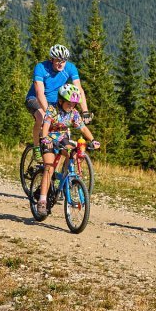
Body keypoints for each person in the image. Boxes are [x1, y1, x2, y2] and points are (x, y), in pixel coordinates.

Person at [35, 83, 98, 219]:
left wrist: (92, 140)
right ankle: (42, 200)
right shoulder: (52, 110)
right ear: (61, 101)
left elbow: (82, 128)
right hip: (49, 138)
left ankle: (64, 181)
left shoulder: (74, 113)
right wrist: (45, 138)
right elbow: (45, 125)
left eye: (74, 104)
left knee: (73, 153)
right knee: (49, 168)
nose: (71, 106)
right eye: (69, 103)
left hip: (63, 138)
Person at [25, 45, 91, 162]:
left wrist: (85, 111)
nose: (61, 64)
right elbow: (40, 92)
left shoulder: (70, 68)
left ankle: (57, 174)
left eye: (63, 61)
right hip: (35, 99)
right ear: (51, 60)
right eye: (58, 61)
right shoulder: (41, 68)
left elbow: (79, 90)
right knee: (41, 118)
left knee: (64, 135)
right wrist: (49, 114)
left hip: (56, 102)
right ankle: (36, 147)